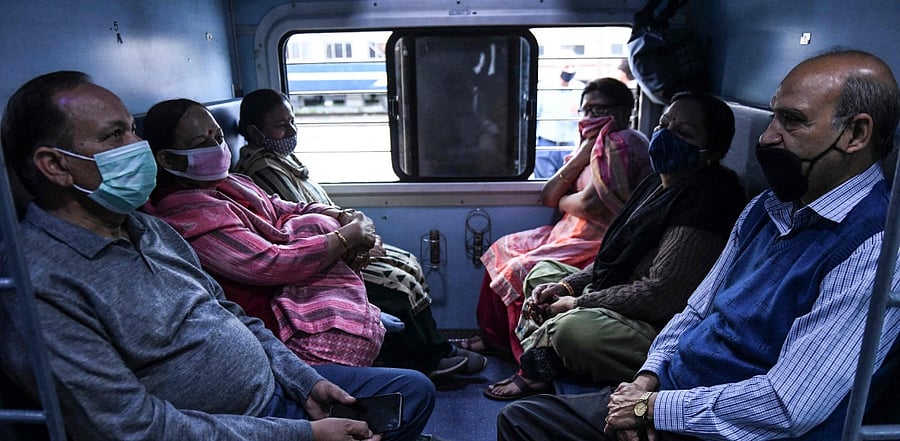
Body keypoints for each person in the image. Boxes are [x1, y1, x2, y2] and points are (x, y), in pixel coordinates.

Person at [0, 71, 435, 440]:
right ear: (55, 165)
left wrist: (306, 383)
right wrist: (302, 433)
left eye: (133, 129)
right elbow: (133, 427)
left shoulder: (146, 228)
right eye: (116, 135)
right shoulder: (41, 283)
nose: (138, 145)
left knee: (413, 391)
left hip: (275, 390)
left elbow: (231, 314)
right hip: (229, 426)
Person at [497, 48, 900, 440]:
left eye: (792, 121)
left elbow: (788, 406)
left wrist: (651, 410)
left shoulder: (875, 247)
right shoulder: (765, 209)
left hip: (728, 423)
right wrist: (645, 381)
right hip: (673, 390)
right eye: (773, 115)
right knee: (522, 420)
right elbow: (696, 309)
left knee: (568, 346)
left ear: (856, 134)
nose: (768, 136)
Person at [484, 91, 747, 400]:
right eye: (663, 125)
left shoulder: (709, 198)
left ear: (710, 151)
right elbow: (617, 256)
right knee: (542, 274)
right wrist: (568, 286)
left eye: (683, 132)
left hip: (658, 326)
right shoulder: (657, 183)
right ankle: (553, 356)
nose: (665, 135)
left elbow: (660, 295)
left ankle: (549, 358)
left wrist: (579, 303)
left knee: (574, 329)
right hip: (625, 295)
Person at [232, 89, 486, 379]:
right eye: (280, 126)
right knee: (396, 284)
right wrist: (353, 242)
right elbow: (298, 225)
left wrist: (361, 236)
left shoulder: (284, 161)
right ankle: (425, 360)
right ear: (254, 131)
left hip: (339, 243)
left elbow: (319, 207)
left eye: (292, 122)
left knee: (408, 262)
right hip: (321, 259)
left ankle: (434, 347)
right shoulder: (263, 170)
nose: (291, 131)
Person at [468, 78, 652, 361]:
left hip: (597, 239)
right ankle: (495, 338)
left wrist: (565, 201)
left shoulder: (622, 143)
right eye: (586, 110)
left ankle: (528, 357)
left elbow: (591, 205)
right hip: (570, 229)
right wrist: (582, 155)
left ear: (624, 111)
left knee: (520, 267)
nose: (591, 117)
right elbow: (548, 194)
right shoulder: (592, 144)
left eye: (600, 109)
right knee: (502, 247)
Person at [533, 60, 587, 178]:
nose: (570, 70)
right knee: (544, 182)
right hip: (546, 144)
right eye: (567, 66)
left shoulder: (580, 89)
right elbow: (535, 115)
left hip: (569, 145)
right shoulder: (544, 88)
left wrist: (579, 112)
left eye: (573, 66)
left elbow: (587, 117)